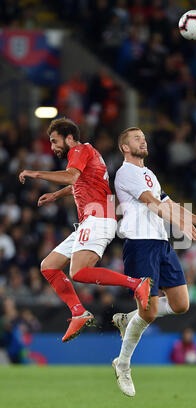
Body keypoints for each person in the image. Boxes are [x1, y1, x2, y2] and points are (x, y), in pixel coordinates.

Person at [18, 118, 153, 342]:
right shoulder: (88, 153)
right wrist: (55, 195)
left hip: (98, 219)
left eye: (54, 141)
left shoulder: (79, 150)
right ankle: (78, 312)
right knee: (49, 266)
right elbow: (78, 182)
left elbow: (72, 176)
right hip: (93, 220)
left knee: (78, 272)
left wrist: (36, 173)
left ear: (69, 138)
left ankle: (136, 283)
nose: (52, 147)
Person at [112, 127, 196, 397]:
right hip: (140, 245)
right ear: (125, 147)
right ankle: (123, 363)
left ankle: (130, 318)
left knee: (181, 304)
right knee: (149, 313)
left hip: (161, 243)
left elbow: (167, 202)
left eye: (144, 137)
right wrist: (179, 223)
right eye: (137, 138)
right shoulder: (126, 171)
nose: (144, 140)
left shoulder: (148, 174)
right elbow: (150, 202)